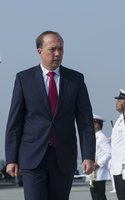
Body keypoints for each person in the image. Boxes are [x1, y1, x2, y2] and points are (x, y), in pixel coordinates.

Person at [5, 30, 95, 200]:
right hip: (32, 156)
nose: (57, 54)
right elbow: (14, 122)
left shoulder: (75, 79)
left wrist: (88, 155)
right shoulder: (24, 79)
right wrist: (11, 158)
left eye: (61, 49)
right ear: (40, 51)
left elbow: (85, 121)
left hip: (63, 156)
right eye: (52, 49)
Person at [110, 89, 125, 200]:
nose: (117, 103)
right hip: (116, 167)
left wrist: (124, 165)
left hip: (123, 167)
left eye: (120, 100)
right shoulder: (120, 119)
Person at [89, 114, 111, 200]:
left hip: (99, 171)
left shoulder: (101, 137)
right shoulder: (95, 137)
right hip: (93, 172)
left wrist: (98, 164)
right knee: (94, 195)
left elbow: (109, 153)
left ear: (97, 124)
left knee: (99, 196)